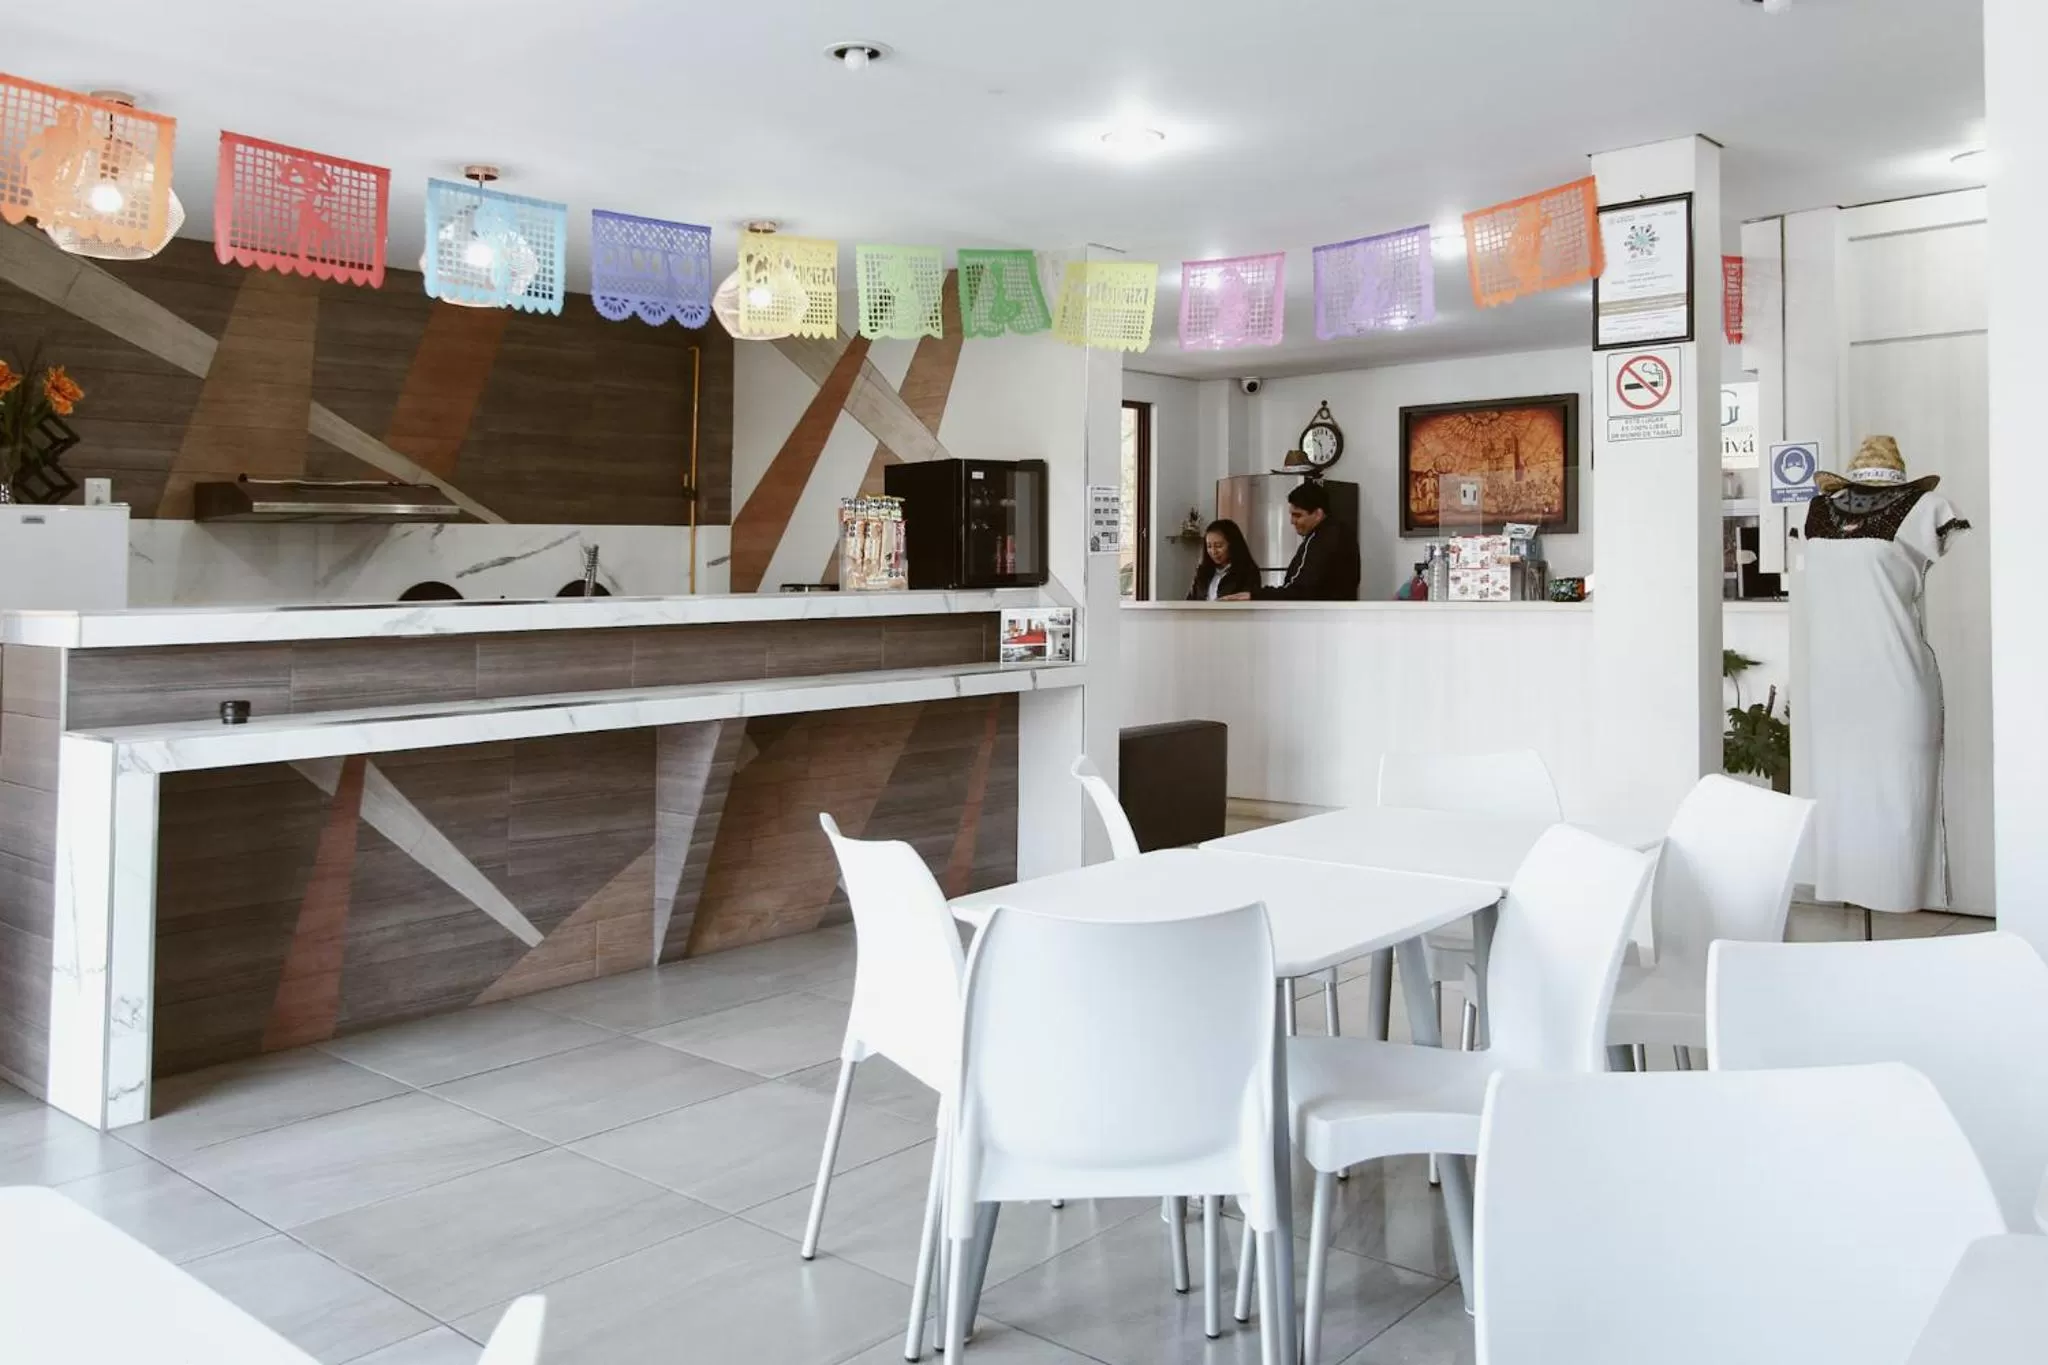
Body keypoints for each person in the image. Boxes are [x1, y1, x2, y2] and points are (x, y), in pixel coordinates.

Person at [1223, 480, 1359, 601]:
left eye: (1298, 515)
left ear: (1318, 514)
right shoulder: (1344, 532)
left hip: (1315, 620)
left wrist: (1256, 595)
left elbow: (1300, 590)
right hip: (1339, 619)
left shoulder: (1319, 538)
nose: (1292, 521)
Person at [1187, 518, 1260, 601]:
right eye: (1209, 546)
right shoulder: (1202, 571)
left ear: (1232, 544)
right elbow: (1190, 602)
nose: (1213, 552)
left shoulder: (1247, 571)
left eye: (1218, 546)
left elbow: (1253, 600)